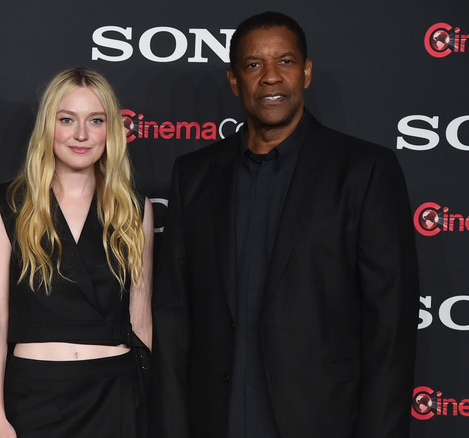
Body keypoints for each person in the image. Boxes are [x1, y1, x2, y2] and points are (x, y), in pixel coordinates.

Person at [151, 11, 418, 438]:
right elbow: (172, 318)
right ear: (235, 80)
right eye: (254, 64)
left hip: (323, 420)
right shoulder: (195, 175)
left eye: (286, 61)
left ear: (307, 72)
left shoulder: (364, 170)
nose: (271, 77)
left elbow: (390, 325)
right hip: (216, 420)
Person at [0, 68, 154, 438]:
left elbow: (141, 318)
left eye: (95, 120)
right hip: (36, 396)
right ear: (48, 126)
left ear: (111, 130)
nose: (81, 134)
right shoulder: (9, 204)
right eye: (67, 120)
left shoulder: (134, 208)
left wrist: (143, 401)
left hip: (115, 397)